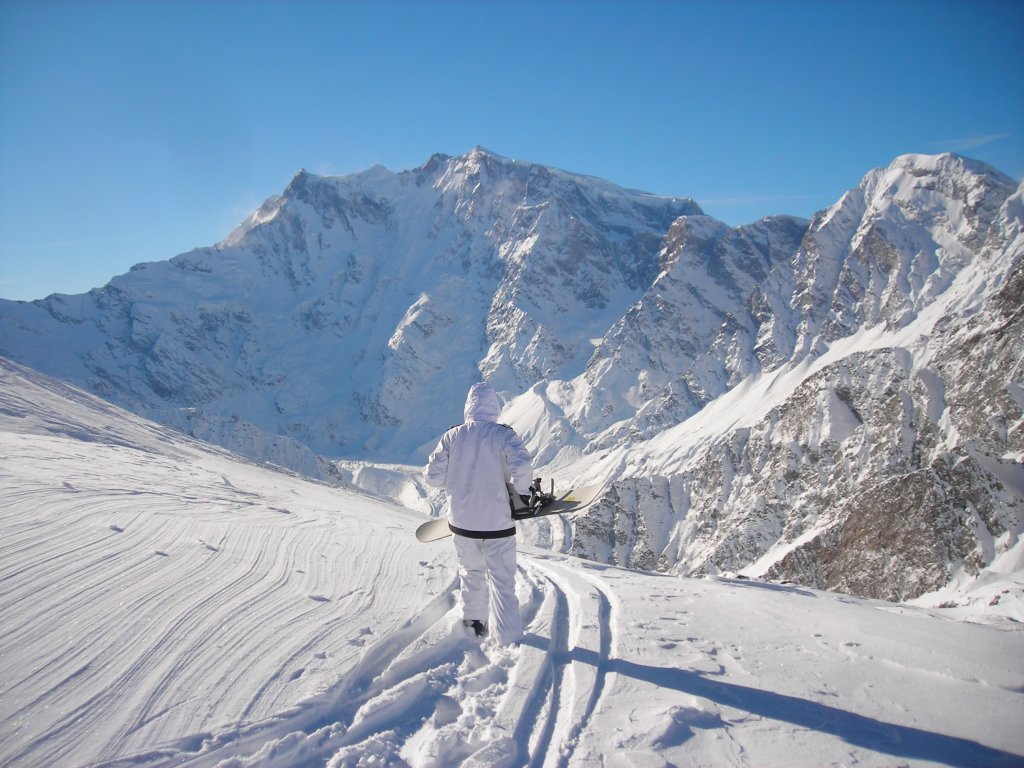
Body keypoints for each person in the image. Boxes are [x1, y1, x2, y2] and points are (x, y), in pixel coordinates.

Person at [424, 382, 533, 645]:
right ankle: (508, 636)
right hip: (499, 525)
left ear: (468, 407)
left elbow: (433, 478)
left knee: (471, 573)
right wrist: (523, 494)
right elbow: (523, 464)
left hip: (462, 525)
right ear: (494, 407)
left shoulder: (452, 436)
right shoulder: (504, 434)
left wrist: (457, 482)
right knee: (502, 581)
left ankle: (474, 626)